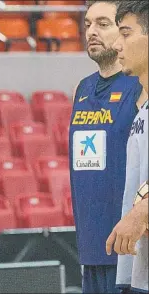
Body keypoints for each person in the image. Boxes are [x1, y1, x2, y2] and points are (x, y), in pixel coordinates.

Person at [69, 1, 146, 293]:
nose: (92, 32)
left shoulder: (140, 85)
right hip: (91, 245)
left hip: (132, 248)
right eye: (87, 24)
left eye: (103, 24)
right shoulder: (82, 89)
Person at [105, 1, 148, 292]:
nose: (117, 45)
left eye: (126, 33)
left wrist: (142, 211)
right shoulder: (143, 110)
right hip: (138, 268)